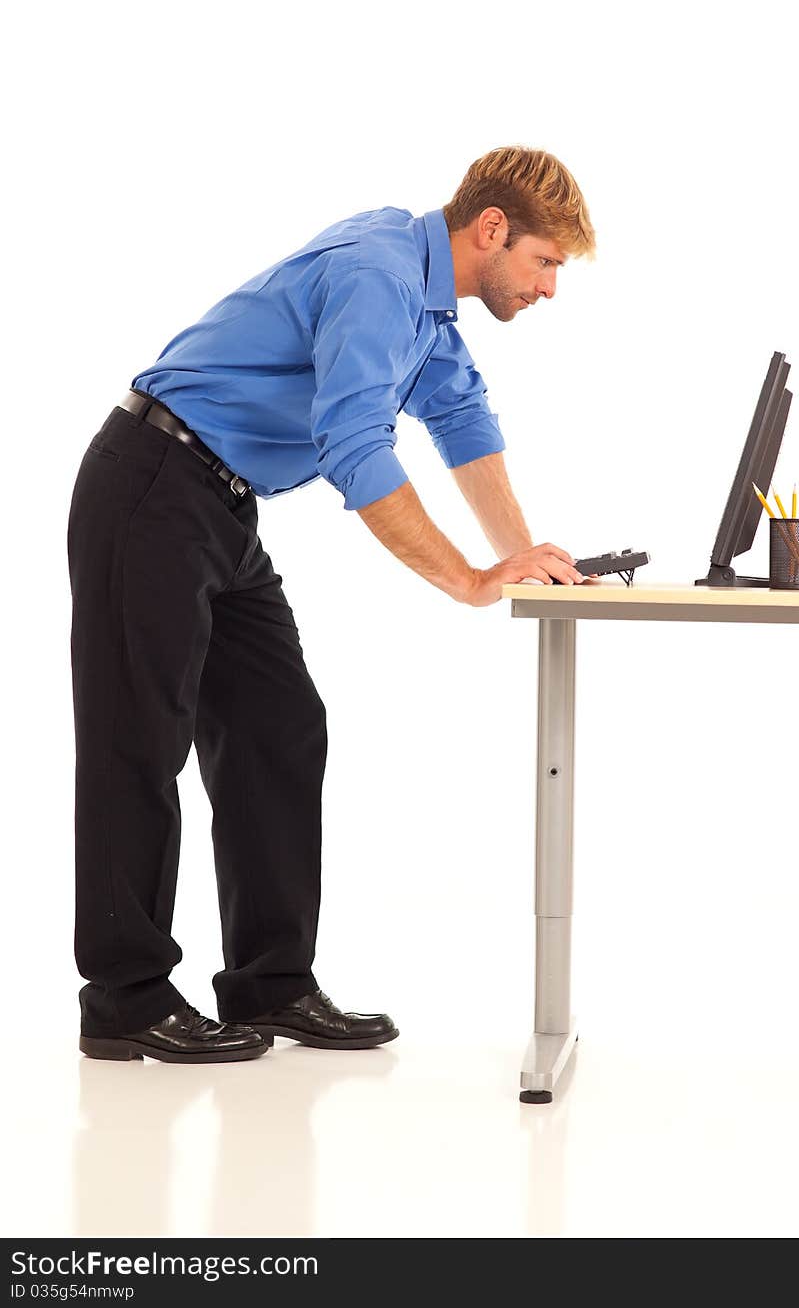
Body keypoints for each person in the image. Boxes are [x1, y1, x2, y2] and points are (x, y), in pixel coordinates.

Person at [66, 145, 597, 1064]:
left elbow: (462, 419)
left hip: (219, 504)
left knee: (280, 726)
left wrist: (518, 556)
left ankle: (271, 983)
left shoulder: (425, 301)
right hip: (151, 484)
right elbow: (355, 447)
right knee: (138, 739)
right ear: (493, 230)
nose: (550, 288)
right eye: (546, 262)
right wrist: (470, 582)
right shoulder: (378, 278)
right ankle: (125, 997)